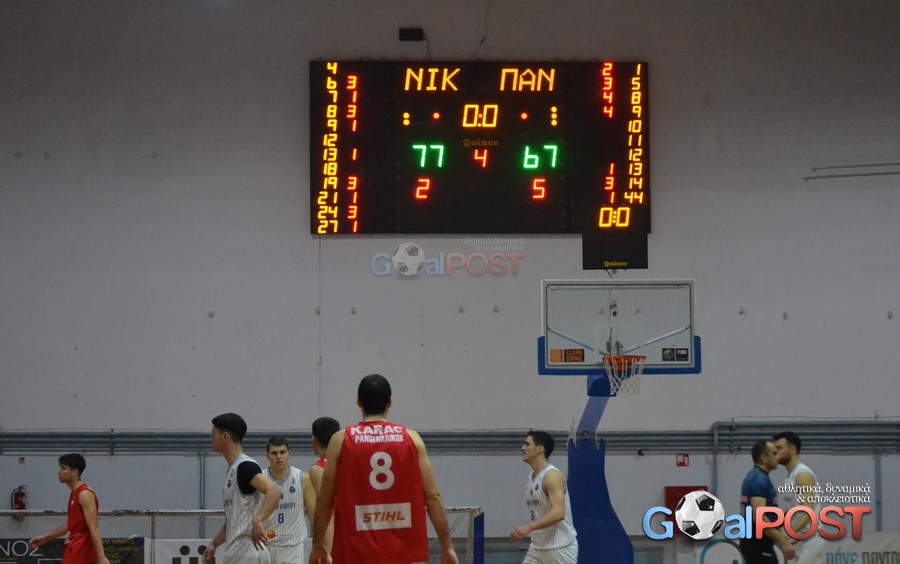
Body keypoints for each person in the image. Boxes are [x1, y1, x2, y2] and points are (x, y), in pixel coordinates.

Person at [308, 374, 458, 564]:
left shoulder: (341, 440)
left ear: (358, 403)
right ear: (390, 403)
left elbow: (325, 500)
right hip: (399, 552)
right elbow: (432, 496)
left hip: (355, 551)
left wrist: (317, 545)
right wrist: (447, 546)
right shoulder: (412, 438)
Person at [204, 413, 282, 564]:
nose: (211, 438)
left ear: (225, 437)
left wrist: (258, 520)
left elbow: (274, 491)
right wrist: (214, 544)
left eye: (213, 434)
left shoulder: (245, 466)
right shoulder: (233, 469)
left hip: (248, 551)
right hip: (237, 551)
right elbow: (233, 521)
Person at [509, 431, 578, 564]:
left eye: (527, 444)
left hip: (560, 547)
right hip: (537, 547)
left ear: (539, 449)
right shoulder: (532, 476)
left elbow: (558, 513)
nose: (523, 448)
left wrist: (529, 527)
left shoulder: (552, 476)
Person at [28, 453, 111, 564]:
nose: (59, 471)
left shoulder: (84, 494)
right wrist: (46, 537)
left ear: (75, 472)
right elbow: (72, 524)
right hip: (73, 547)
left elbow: (94, 527)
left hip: (81, 551)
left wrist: (101, 557)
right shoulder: (75, 493)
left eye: (63, 468)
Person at [739, 439, 797, 563]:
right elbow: (759, 518)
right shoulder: (759, 479)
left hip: (757, 543)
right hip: (757, 544)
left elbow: (767, 516)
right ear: (764, 458)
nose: (778, 457)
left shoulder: (757, 476)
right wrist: (783, 541)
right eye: (774, 453)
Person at [263, 436, 317, 564]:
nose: (279, 457)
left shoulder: (303, 478)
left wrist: (318, 544)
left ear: (289, 454)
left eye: (282, 452)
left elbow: (313, 516)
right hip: (266, 546)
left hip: (293, 547)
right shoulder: (260, 479)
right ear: (267, 456)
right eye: (274, 453)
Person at [774, 431, 825, 564]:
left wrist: (787, 533)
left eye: (779, 448)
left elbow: (808, 511)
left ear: (792, 450)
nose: (775, 452)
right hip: (800, 539)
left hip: (811, 539)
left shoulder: (803, 474)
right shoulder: (789, 475)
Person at [308, 417, 340, 554]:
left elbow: (328, 509)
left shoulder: (319, 468)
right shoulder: (351, 460)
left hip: (339, 538)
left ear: (313, 440)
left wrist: (329, 551)